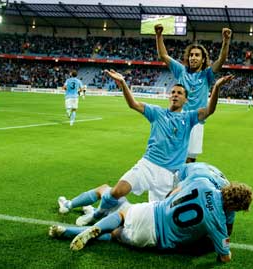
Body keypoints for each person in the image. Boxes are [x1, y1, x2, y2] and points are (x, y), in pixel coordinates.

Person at [60, 69, 233, 225]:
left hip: (170, 176)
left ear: (186, 99)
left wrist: (216, 86)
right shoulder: (156, 112)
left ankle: (93, 212)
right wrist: (123, 84)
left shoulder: (189, 118)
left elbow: (209, 110)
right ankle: (95, 214)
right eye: (173, 92)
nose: (175, 95)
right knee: (117, 191)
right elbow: (133, 104)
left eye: (179, 93)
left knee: (159, 219)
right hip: (148, 165)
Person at [49, 180, 253, 263]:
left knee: (121, 214)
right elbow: (225, 257)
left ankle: (90, 225)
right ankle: (68, 231)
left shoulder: (203, 183)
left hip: (151, 212)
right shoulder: (218, 223)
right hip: (154, 238)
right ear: (236, 208)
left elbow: (176, 190)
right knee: (114, 235)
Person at [59, 162, 232, 227]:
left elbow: (176, 190)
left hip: (141, 215)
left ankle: (72, 207)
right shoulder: (215, 202)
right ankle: (93, 214)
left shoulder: (201, 178)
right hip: (162, 224)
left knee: (105, 189)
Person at [155, 24, 232, 163]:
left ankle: (185, 184)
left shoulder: (206, 75)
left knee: (190, 160)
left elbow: (221, 60)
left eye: (197, 55)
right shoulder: (181, 71)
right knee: (173, 156)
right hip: (178, 120)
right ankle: (171, 184)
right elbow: (163, 55)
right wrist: (159, 35)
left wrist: (226, 41)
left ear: (203, 59)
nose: (193, 57)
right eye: (191, 55)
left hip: (197, 122)